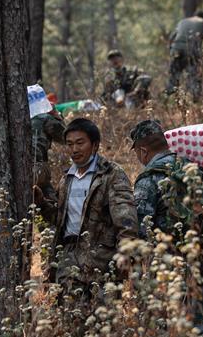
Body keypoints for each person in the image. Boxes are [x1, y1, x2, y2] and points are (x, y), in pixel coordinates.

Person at [129, 119, 203, 333]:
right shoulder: (196, 169)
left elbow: (140, 230)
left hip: (169, 269)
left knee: (165, 334)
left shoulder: (148, 179)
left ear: (143, 150)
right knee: (196, 331)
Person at [36, 118, 137, 300]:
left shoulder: (111, 174)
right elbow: (59, 219)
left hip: (101, 263)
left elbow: (126, 220)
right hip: (68, 261)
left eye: (80, 143)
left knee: (101, 323)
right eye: (70, 144)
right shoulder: (67, 177)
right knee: (69, 320)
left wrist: (125, 257)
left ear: (95, 145)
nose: (74, 149)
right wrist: (42, 203)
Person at [166, 10, 203, 101]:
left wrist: (171, 50)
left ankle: (169, 99)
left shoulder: (183, 21)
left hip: (176, 48)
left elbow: (171, 37)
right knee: (194, 76)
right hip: (192, 50)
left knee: (174, 75)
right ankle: (194, 100)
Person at [31, 104, 67, 206]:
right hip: (36, 168)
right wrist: (56, 115)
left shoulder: (9, 115)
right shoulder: (44, 117)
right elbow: (65, 137)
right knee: (49, 199)